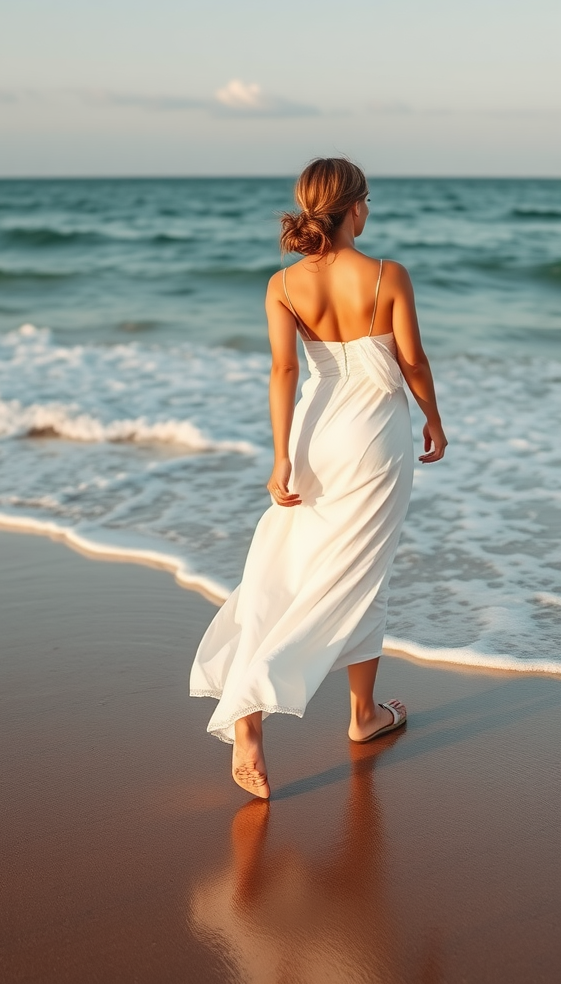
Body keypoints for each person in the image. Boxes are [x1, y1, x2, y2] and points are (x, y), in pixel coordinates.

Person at [190, 157, 447, 799]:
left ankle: (351, 712)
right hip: (373, 440)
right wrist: (434, 418)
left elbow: (283, 372)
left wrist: (280, 456)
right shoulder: (388, 274)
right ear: (355, 208)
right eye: (367, 202)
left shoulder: (282, 283)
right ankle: (273, 705)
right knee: (361, 572)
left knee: (284, 567)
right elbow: (411, 359)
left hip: (312, 435)